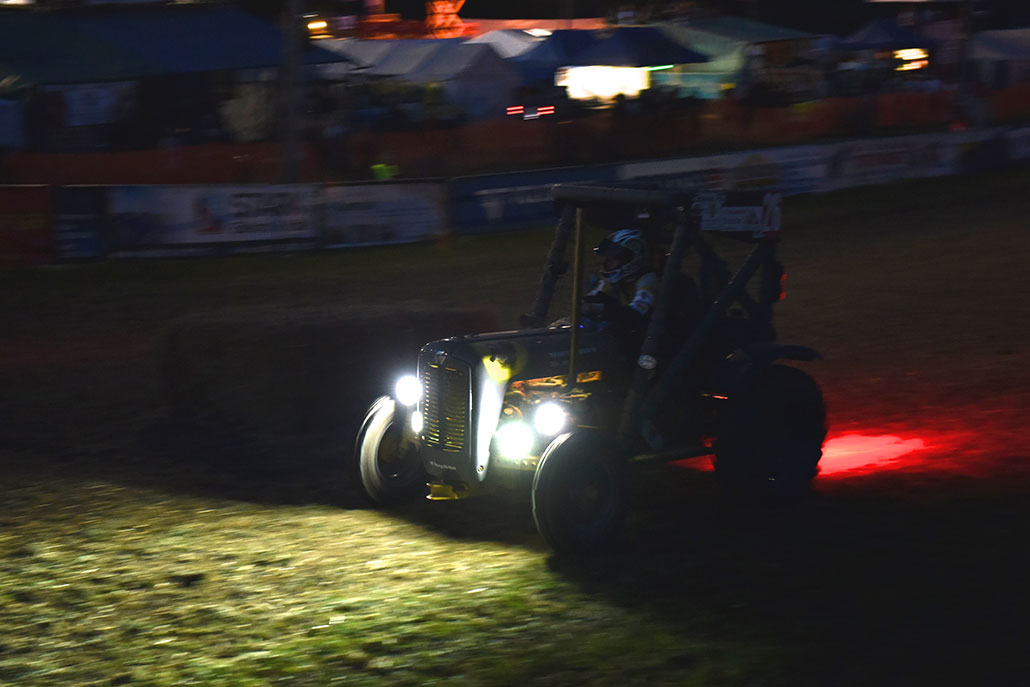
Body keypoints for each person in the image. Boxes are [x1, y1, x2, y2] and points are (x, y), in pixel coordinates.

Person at [581, 229, 659, 356]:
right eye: (608, 258)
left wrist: (603, 309)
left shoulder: (648, 280)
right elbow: (592, 300)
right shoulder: (613, 280)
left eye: (614, 259)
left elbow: (636, 313)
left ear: (631, 259)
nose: (607, 262)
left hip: (646, 341)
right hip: (627, 333)